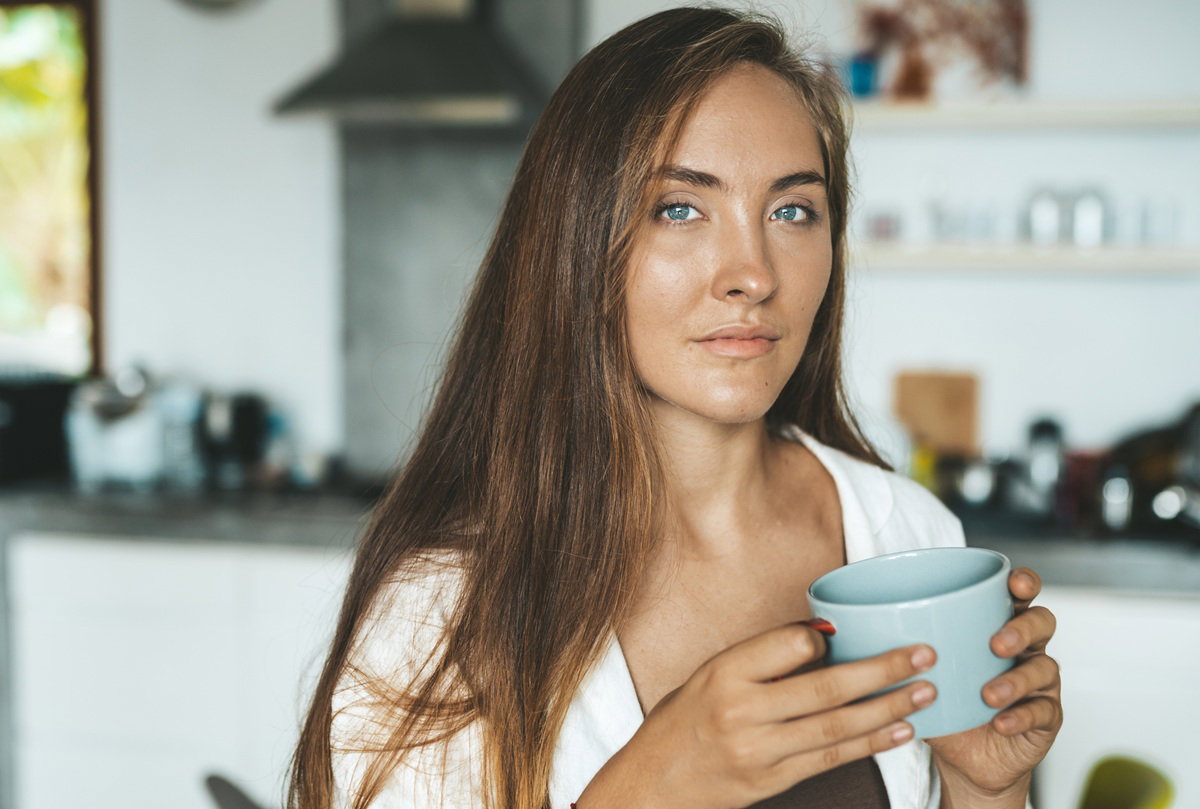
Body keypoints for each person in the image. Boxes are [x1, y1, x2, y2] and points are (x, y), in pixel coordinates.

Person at [286, 7, 1063, 809]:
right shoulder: (444, 608)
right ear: (578, 243)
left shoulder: (906, 533)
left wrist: (986, 784)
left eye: (792, 210)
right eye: (681, 208)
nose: (753, 273)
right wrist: (654, 785)